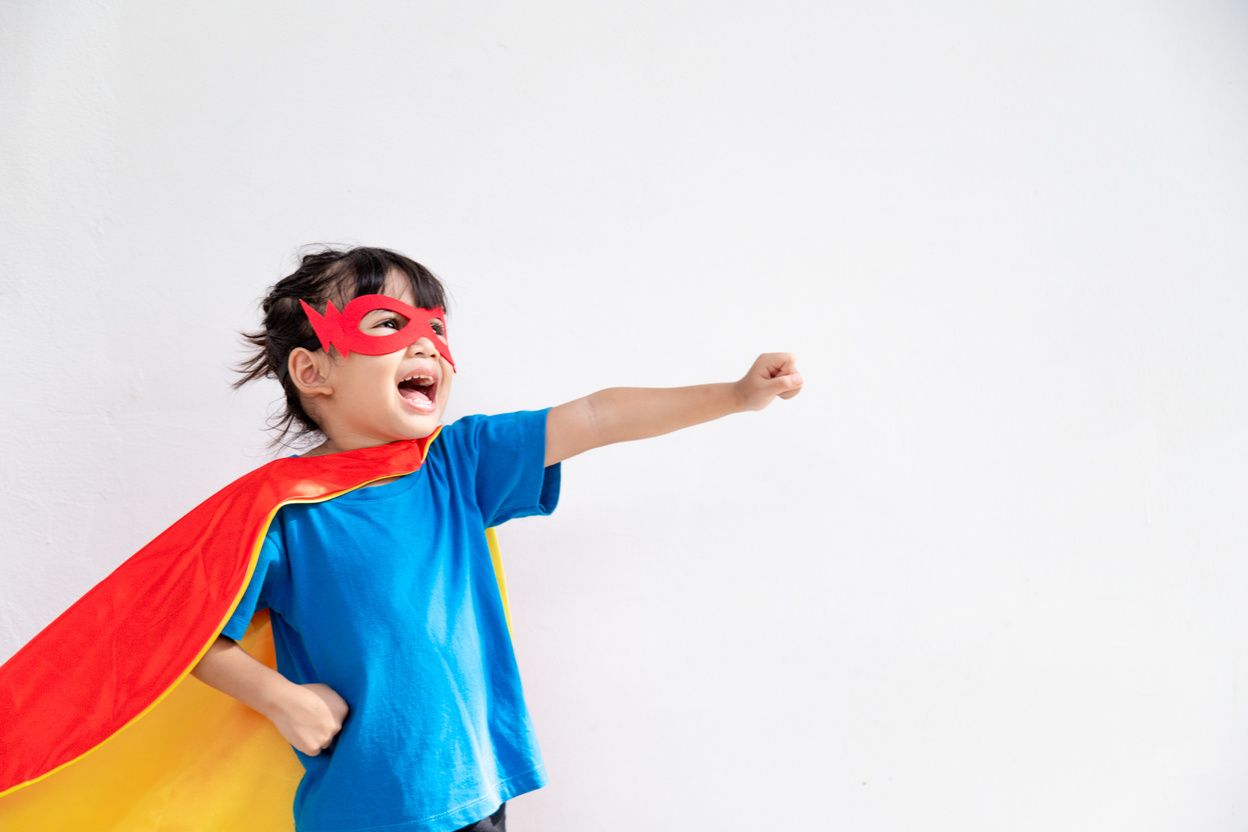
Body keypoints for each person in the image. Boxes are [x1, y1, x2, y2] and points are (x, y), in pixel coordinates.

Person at [180, 245, 803, 832]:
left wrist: (738, 395)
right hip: (364, 807)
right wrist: (282, 700)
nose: (426, 341)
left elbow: (594, 416)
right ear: (313, 371)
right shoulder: (284, 510)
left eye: (437, 328)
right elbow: (186, 634)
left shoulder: (456, 462)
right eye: (388, 323)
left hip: (475, 788)